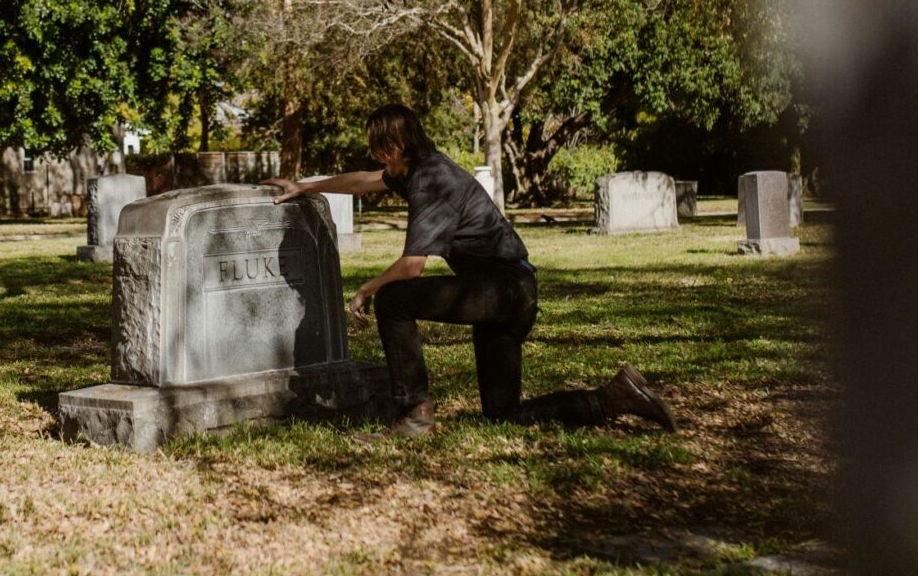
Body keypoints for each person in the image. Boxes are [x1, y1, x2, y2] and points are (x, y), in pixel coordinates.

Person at [264, 104, 676, 440]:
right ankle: (615, 397)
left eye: (380, 147)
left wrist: (366, 289)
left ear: (398, 143)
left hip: (503, 289)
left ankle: (414, 412)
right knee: (504, 414)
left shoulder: (430, 180)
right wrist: (306, 186)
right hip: (511, 291)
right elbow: (366, 181)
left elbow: (412, 266)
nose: (375, 156)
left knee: (393, 299)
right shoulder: (418, 168)